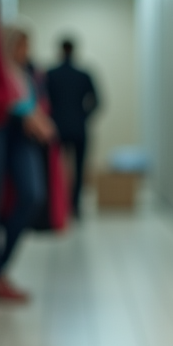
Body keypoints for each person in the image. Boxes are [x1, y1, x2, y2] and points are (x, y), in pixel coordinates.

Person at [0, 26, 54, 302]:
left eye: (27, 46)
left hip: (25, 142)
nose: (24, 52)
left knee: (32, 196)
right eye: (19, 46)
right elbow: (10, 103)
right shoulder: (0, 72)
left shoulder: (28, 74)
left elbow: (31, 103)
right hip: (6, 137)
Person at [45, 36, 99, 218]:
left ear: (61, 50)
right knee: (79, 167)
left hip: (56, 128)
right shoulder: (83, 74)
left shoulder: (50, 74)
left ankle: (60, 205)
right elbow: (97, 101)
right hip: (78, 128)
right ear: (73, 50)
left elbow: (43, 101)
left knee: (56, 168)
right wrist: (83, 116)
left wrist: (51, 118)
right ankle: (75, 206)